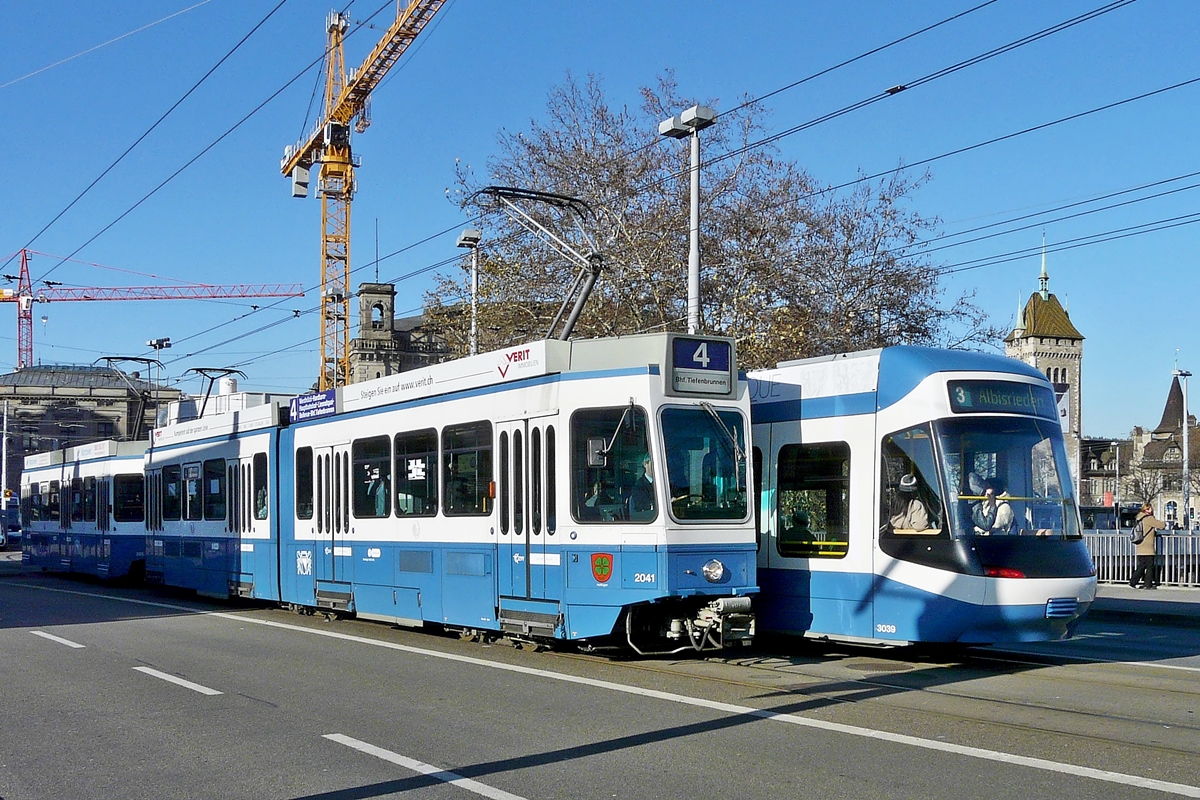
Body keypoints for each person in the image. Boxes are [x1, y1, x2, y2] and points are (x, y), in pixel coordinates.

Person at [1128, 502, 1166, 590]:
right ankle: (1147, 584)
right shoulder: (1148, 518)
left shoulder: (1139, 518)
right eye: (1150, 508)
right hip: (1148, 547)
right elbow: (1161, 525)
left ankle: (1133, 581)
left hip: (1140, 545)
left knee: (1142, 565)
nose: (1151, 510)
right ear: (1146, 510)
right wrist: (1164, 523)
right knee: (1149, 566)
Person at [628, 455, 656, 519]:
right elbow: (643, 506)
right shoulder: (638, 487)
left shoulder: (667, 484)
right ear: (645, 464)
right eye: (653, 463)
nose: (656, 467)